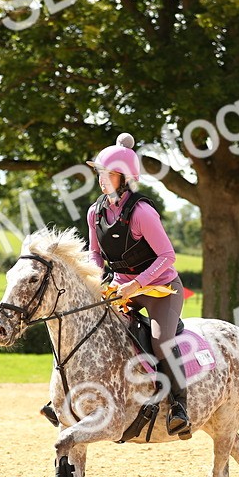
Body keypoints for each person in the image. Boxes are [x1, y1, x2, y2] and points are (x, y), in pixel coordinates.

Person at [86, 133, 191, 438]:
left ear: (125, 178)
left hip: (161, 289)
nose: (101, 180)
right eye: (99, 174)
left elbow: (167, 257)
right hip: (120, 287)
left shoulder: (143, 213)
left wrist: (137, 285)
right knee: (94, 329)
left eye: (108, 175)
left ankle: (179, 407)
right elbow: (95, 253)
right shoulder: (96, 212)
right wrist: (98, 280)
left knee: (160, 342)